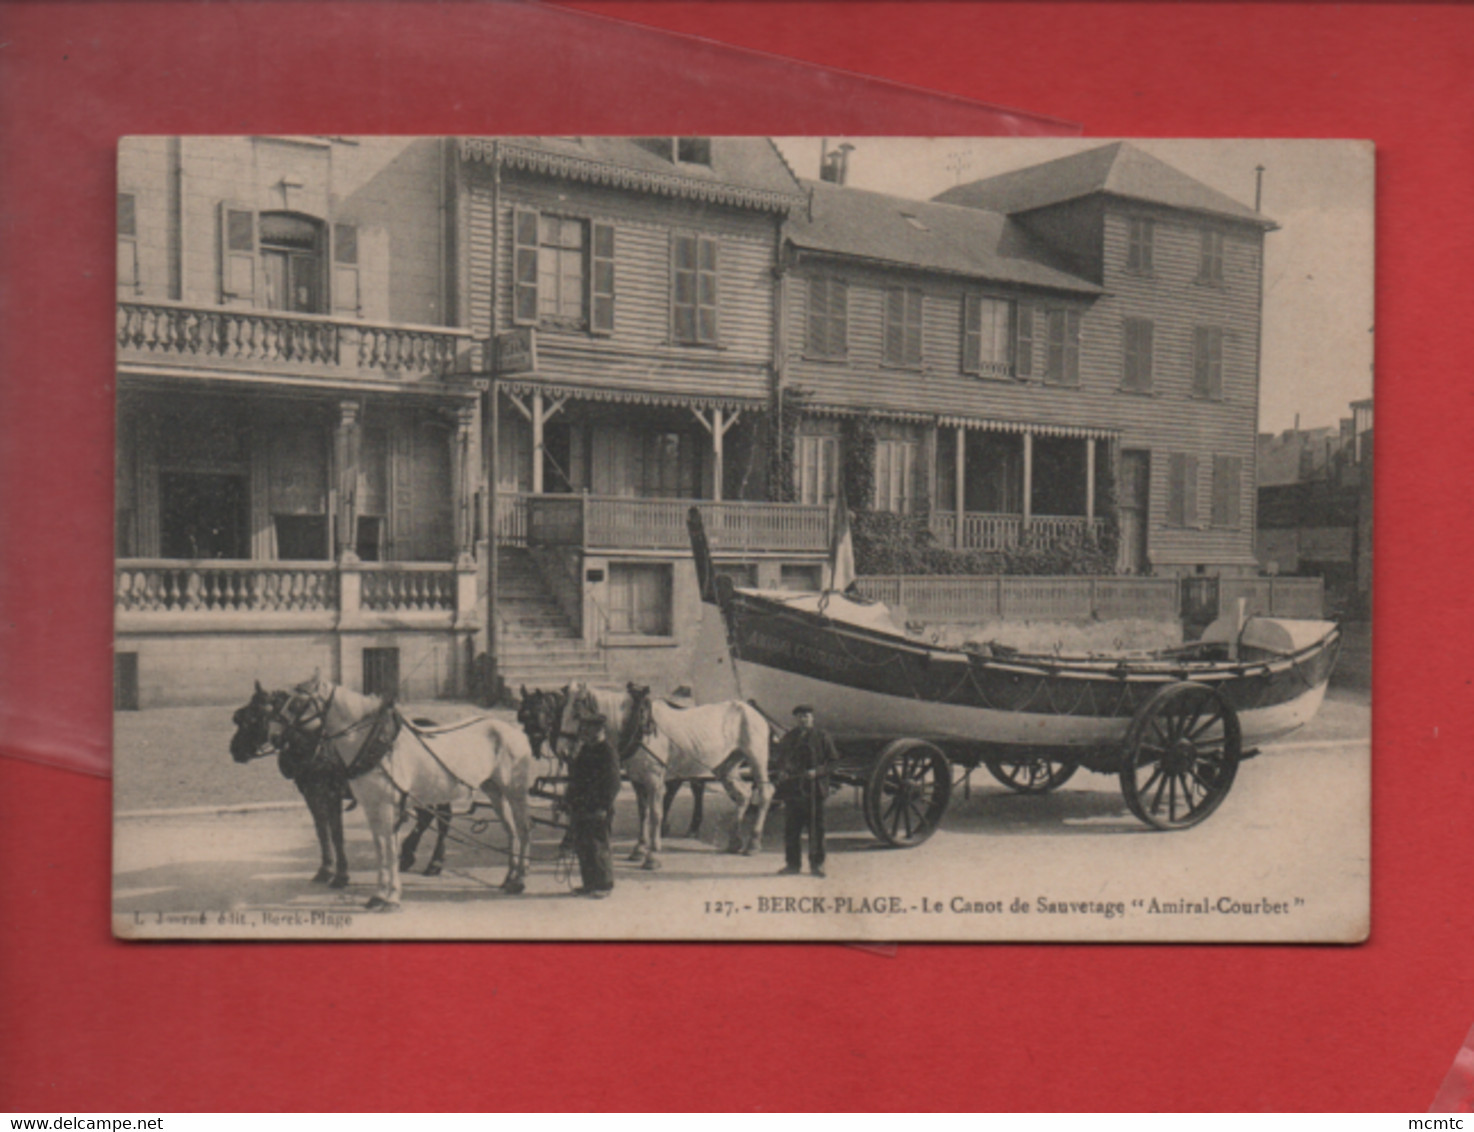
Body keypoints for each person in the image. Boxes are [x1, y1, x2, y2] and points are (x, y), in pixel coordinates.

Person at [772, 704, 840, 878]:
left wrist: (817, 772)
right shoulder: (789, 737)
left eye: (807, 716)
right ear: (796, 719)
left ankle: (817, 866)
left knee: (816, 830)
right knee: (791, 830)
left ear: (812, 718)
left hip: (814, 791)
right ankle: (792, 865)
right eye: (800, 716)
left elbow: (833, 763)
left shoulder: (822, 737)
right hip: (793, 791)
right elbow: (779, 760)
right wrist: (782, 771)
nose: (803, 719)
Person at [565, 712, 622, 897]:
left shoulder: (607, 751)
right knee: (584, 846)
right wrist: (569, 800)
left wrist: (603, 806)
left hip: (598, 808)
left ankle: (605, 886)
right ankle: (589, 884)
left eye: (589, 728)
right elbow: (576, 779)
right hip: (581, 806)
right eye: (585, 728)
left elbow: (613, 784)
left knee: (598, 846)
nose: (585, 732)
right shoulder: (586, 749)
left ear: (600, 729)